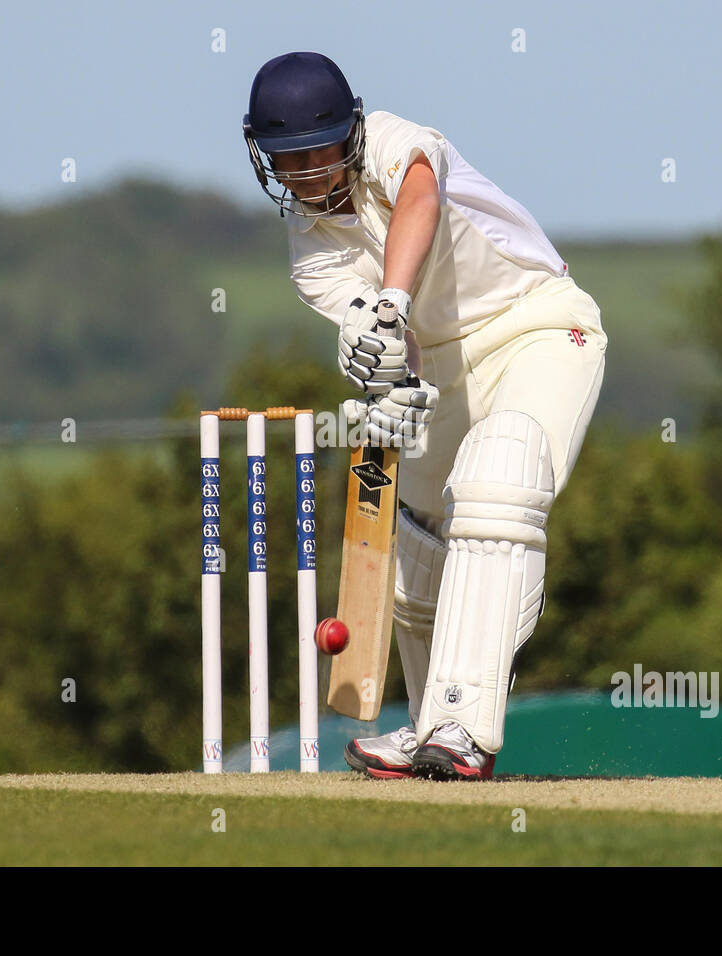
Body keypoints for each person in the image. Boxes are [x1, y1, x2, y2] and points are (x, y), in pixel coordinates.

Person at [243, 52, 607, 779]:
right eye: (288, 160)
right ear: (265, 159)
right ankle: (430, 726)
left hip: (535, 327)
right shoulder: (310, 250)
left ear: (349, 133)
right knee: (415, 543)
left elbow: (419, 198)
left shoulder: (391, 140)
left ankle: (466, 728)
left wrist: (391, 301)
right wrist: (387, 374)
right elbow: (378, 338)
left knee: (498, 480)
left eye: (319, 151)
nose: (308, 174)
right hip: (440, 366)